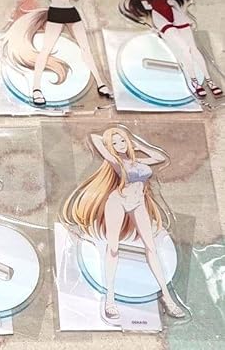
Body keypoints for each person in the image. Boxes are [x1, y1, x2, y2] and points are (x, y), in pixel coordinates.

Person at [61, 128, 185, 319]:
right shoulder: (115, 161)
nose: (120, 146)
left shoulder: (138, 162)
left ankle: (167, 297)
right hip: (118, 201)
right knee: (113, 248)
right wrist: (112, 138)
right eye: (115, 143)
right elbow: (95, 138)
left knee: (151, 247)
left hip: (138, 203)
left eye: (122, 141)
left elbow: (159, 157)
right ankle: (110, 299)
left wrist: (137, 144)